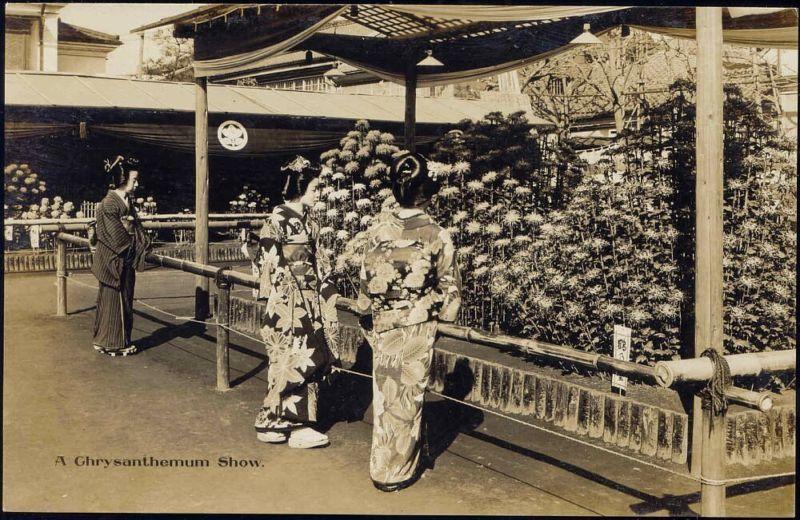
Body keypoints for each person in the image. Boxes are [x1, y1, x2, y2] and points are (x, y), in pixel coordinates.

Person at [358, 152, 462, 491]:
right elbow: (450, 290)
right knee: (408, 396)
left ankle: (381, 467)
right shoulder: (436, 234)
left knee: (386, 394)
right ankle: (397, 471)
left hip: (382, 322)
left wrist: (373, 312)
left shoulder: (377, 231)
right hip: (417, 326)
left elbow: (365, 282)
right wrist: (436, 316)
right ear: (426, 192)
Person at [253, 155, 339, 449]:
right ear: (300, 190)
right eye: (314, 189)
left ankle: (280, 421)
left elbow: (318, 261)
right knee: (297, 358)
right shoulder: (278, 220)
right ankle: (283, 421)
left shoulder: (306, 221)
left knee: (296, 358)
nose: (318, 194)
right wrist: (299, 296)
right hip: (288, 301)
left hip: (306, 298)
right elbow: (271, 265)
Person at [91, 156, 151, 356]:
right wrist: (136, 245)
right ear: (122, 180)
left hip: (121, 256)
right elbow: (117, 237)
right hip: (114, 258)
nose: (137, 183)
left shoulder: (125, 200)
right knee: (115, 300)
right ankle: (114, 343)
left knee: (118, 300)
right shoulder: (109, 203)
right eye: (134, 180)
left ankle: (104, 340)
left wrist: (140, 237)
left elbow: (136, 227)